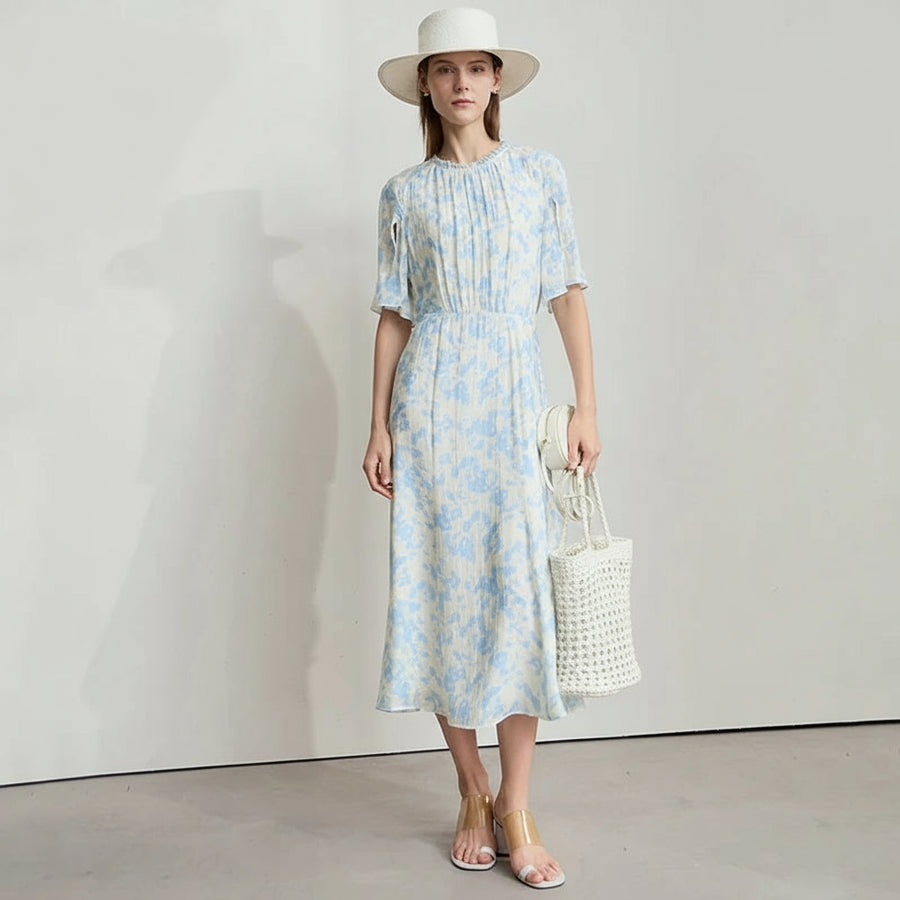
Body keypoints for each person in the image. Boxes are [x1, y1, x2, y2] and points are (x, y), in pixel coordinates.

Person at [362, 8, 600, 890]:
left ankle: (518, 802)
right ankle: (469, 790)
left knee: (516, 588)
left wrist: (584, 405)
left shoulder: (540, 175)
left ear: (498, 81)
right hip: (429, 405)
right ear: (424, 86)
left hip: (509, 403)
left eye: (477, 67)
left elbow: (567, 293)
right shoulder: (404, 192)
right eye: (444, 69)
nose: (461, 82)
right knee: (439, 590)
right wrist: (379, 423)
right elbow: (394, 314)